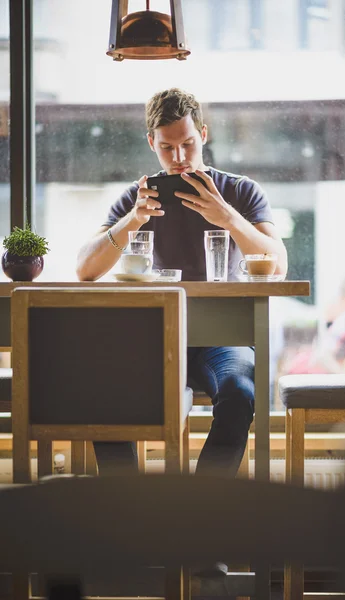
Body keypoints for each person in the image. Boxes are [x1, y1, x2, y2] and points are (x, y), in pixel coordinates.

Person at [76, 87, 287, 482]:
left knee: (241, 392)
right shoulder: (137, 199)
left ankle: (201, 506)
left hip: (224, 340)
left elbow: (277, 265)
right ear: (151, 142)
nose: (178, 158)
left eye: (187, 144)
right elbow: (85, 271)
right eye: (167, 147)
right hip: (153, 337)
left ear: (203, 135)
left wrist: (228, 218)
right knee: (102, 390)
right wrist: (132, 221)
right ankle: (126, 505)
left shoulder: (240, 192)